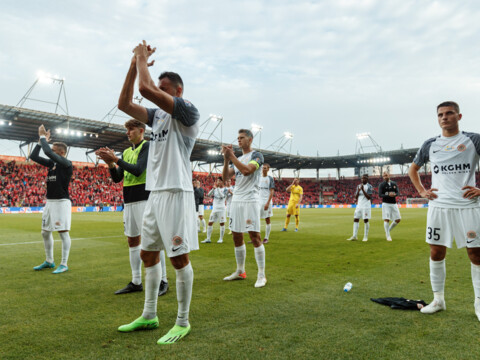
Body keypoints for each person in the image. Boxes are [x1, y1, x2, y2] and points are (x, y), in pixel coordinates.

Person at [116, 40, 200, 344]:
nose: (158, 89)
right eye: (159, 85)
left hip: (177, 192)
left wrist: (141, 60)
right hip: (155, 194)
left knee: (178, 259)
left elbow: (147, 89)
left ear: (177, 91)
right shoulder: (157, 117)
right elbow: (125, 105)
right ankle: (149, 315)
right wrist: (132, 65)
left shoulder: (188, 112)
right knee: (148, 255)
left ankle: (182, 321)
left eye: (166, 87)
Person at [408, 101, 480, 319]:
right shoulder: (430, 144)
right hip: (439, 206)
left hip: (467, 205)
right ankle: (438, 300)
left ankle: (478, 303)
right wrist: (421, 190)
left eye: (449, 113)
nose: (444, 117)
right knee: (436, 252)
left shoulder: (473, 140)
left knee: (476, 254)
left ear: (459, 116)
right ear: (437, 118)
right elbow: (413, 169)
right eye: (440, 114)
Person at [95, 119, 168, 296]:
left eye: (131, 129)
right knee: (132, 240)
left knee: (152, 240)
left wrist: (116, 159)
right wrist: (111, 164)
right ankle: (136, 281)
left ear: (141, 131)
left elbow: (138, 170)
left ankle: (163, 280)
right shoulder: (127, 151)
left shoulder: (147, 147)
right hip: (128, 200)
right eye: (127, 130)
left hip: (145, 198)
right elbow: (117, 178)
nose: (128, 133)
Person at [222, 129, 266, 288]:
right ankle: (240, 271)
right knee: (236, 236)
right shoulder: (238, 158)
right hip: (237, 200)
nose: (239, 140)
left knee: (255, 236)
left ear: (250, 139)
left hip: (250, 200)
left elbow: (247, 171)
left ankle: (261, 275)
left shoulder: (257, 156)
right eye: (238, 138)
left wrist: (231, 156)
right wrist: (227, 160)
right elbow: (225, 178)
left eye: (242, 138)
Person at [30, 124, 73, 274]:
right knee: (45, 232)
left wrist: (43, 137)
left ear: (61, 153)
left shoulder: (67, 164)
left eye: (54, 152)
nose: (50, 154)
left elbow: (47, 151)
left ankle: (64, 263)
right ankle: (49, 261)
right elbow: (33, 156)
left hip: (61, 202)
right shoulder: (52, 164)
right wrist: (39, 141)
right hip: (50, 202)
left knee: (63, 233)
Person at [347, 174, 373, 241]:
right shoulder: (358, 186)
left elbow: (369, 197)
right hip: (359, 205)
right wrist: (358, 190)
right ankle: (354, 236)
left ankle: (365, 236)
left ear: (367, 179)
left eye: (364, 178)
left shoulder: (369, 186)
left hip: (366, 206)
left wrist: (363, 190)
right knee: (355, 219)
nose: (362, 180)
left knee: (365, 220)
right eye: (361, 178)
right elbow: (356, 197)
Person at [201, 177, 228, 244]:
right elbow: (209, 195)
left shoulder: (225, 189)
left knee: (221, 223)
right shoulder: (215, 189)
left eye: (219, 181)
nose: (218, 182)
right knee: (210, 222)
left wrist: (218, 188)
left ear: (222, 182)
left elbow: (222, 196)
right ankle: (208, 239)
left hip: (221, 209)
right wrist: (213, 189)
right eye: (217, 181)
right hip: (214, 209)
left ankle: (221, 239)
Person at [378, 171, 401, 241]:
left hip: (394, 204)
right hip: (386, 204)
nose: (385, 177)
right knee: (386, 219)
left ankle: (388, 230)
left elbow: (398, 192)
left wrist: (395, 195)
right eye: (384, 176)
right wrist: (388, 195)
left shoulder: (394, 183)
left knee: (398, 219)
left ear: (389, 175)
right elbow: (380, 195)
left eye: (386, 175)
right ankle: (388, 235)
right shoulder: (381, 185)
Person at [258, 163, 275, 243]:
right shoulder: (258, 178)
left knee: (267, 219)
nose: (263, 169)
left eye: (265, 168)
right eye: (262, 168)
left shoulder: (270, 178)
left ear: (268, 169)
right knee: (256, 219)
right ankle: (257, 238)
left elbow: (271, 191)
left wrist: (268, 203)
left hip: (266, 201)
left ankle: (266, 238)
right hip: (258, 202)